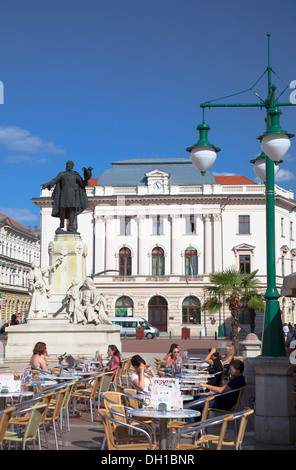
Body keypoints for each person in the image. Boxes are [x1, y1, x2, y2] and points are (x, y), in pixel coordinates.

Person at [42, 160, 92, 234]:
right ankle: (62, 225)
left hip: (72, 195)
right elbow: (55, 180)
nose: (69, 165)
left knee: (72, 210)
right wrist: (47, 184)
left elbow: (82, 183)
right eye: (68, 164)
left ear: (72, 166)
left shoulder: (75, 175)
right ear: (66, 166)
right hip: (63, 194)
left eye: (70, 164)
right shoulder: (62, 174)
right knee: (62, 209)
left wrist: (88, 172)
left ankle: (71, 227)